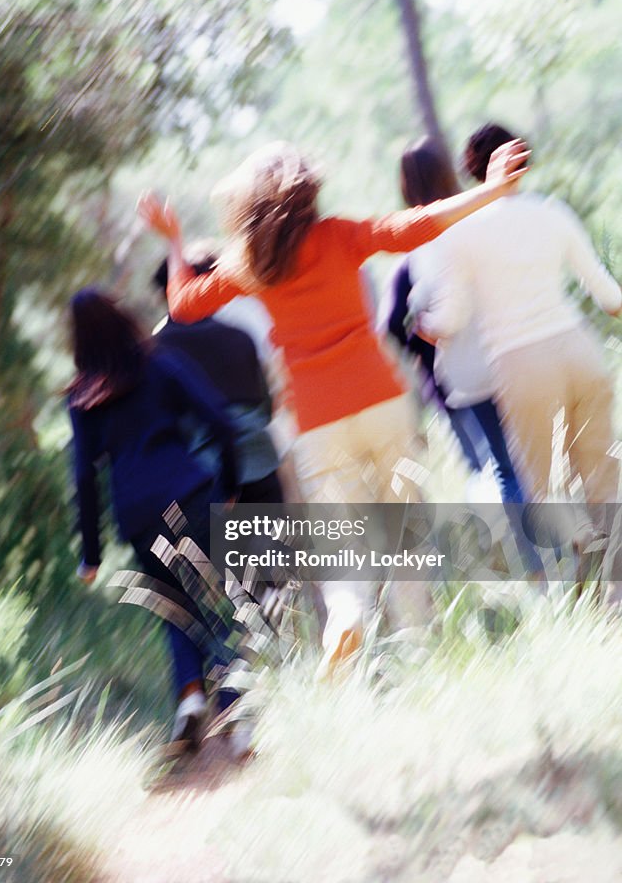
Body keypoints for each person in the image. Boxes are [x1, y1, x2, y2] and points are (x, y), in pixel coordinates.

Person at [137, 137, 530, 664]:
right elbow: (417, 225)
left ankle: (346, 614)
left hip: (320, 420)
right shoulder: (340, 235)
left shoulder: (249, 264)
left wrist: (175, 240)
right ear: (307, 189)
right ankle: (419, 648)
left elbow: (183, 306)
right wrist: (490, 190)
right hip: (382, 400)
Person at [414, 123, 621, 573]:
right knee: (604, 481)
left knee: (540, 485)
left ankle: (580, 537)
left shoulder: (461, 234)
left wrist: (425, 326)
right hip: (579, 350)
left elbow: (451, 320)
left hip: (522, 363)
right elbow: (611, 300)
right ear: (521, 159)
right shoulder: (553, 212)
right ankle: (617, 596)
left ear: (472, 170)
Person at [67, 287, 240, 750]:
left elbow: (84, 477)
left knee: (176, 609)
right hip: (191, 493)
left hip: (139, 515)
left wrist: (91, 555)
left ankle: (189, 699)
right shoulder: (159, 363)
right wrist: (230, 485)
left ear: (77, 341)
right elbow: (220, 420)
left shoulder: (83, 398)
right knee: (218, 601)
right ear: (122, 318)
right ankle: (235, 712)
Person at [383, 137, 525, 508]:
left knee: (496, 470)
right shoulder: (482, 220)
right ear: (448, 172)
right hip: (512, 351)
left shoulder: (414, 254)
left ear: (404, 186)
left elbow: (391, 326)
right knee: (532, 458)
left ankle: (530, 560)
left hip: (458, 379)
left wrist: (424, 338)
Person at [152, 247, 284, 505]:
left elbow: (166, 421)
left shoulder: (158, 350)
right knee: (280, 544)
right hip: (261, 459)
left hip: (208, 472)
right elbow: (267, 406)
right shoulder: (239, 335)